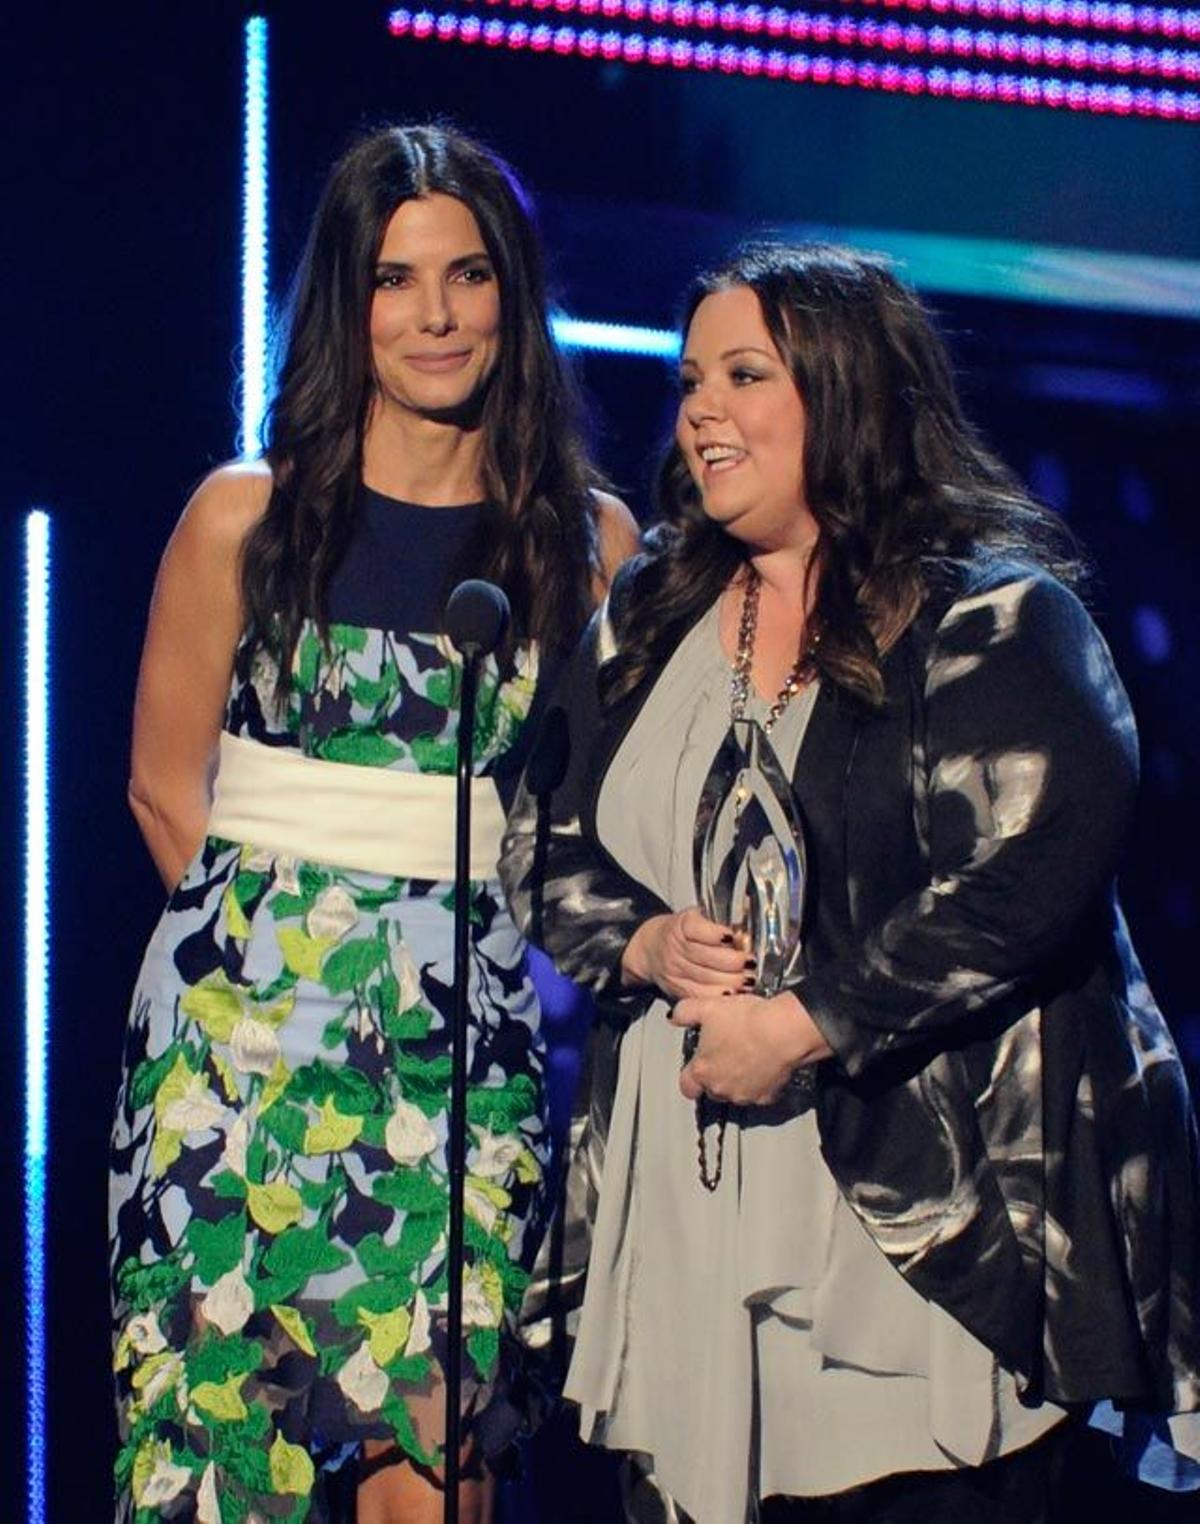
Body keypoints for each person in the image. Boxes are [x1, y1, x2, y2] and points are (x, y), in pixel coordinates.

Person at [500, 243, 1200, 1523]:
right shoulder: (647, 614)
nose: (700, 409)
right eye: (692, 378)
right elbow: (536, 829)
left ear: (848, 394)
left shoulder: (995, 619)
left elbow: (1034, 869)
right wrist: (644, 943)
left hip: (915, 1218)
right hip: (686, 1209)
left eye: (745, 374)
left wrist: (808, 1025)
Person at [108, 122, 638, 1524]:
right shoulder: (245, 516)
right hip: (236, 1067)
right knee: (228, 1464)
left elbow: (597, 830)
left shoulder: (590, 548)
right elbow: (165, 786)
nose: (436, 314)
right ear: (349, 307)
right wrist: (289, 973)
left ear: (512, 299)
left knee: (446, 1463)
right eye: (397, 281)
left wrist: (423, 974)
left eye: (468, 276)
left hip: (462, 1061)